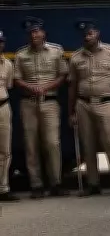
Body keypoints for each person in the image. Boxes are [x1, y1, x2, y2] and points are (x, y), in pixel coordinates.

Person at [68, 19, 110, 196]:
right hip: (83, 104)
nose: (87, 37)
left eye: (90, 33)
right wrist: (71, 111)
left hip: (106, 103)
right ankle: (93, 184)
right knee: (88, 145)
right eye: (84, 35)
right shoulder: (76, 57)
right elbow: (72, 85)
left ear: (97, 33)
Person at [14, 16, 69, 199]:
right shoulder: (21, 55)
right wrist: (30, 87)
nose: (34, 35)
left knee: (52, 143)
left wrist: (46, 87)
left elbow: (63, 75)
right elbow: (17, 78)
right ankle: (36, 184)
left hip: (50, 102)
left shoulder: (56, 51)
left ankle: (56, 183)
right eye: (30, 32)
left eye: (36, 31)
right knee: (31, 145)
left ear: (43, 33)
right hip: (28, 103)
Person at [0, 30, 17, 202]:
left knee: (5, 151)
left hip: (3, 107)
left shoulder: (8, 64)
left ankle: (3, 188)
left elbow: (8, 85)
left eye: (1, 42)